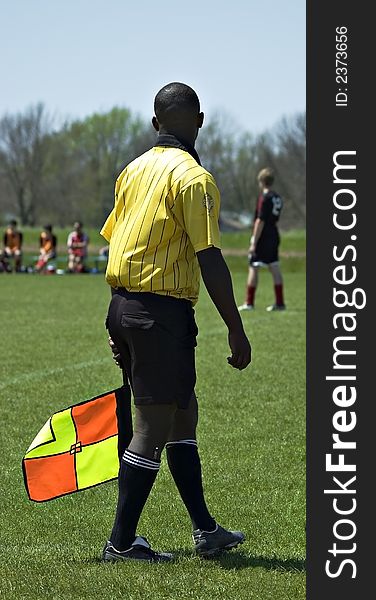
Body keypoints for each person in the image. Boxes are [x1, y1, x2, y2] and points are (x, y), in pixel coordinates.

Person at [100, 82, 252, 563]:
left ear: (154, 123)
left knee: (183, 411)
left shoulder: (132, 170)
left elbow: (118, 241)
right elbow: (209, 258)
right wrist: (236, 325)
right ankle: (121, 543)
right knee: (152, 426)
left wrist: (121, 321)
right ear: (200, 121)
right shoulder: (193, 178)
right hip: (159, 314)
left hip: (126, 306)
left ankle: (206, 530)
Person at [238, 168, 286, 312]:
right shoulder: (277, 197)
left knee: (253, 266)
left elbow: (260, 220)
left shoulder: (264, 198)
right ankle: (280, 302)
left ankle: (249, 302)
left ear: (261, 182)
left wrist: (254, 241)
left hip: (263, 235)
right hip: (274, 233)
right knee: (274, 266)